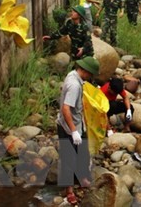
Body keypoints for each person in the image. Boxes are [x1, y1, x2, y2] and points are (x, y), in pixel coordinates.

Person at [57, 56, 99, 206]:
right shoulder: (74, 85)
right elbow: (66, 108)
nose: (91, 77)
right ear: (85, 71)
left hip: (78, 123)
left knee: (82, 153)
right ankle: (69, 190)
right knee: (68, 158)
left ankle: (82, 178)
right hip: (68, 127)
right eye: (91, 74)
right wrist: (74, 131)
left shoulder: (73, 75)